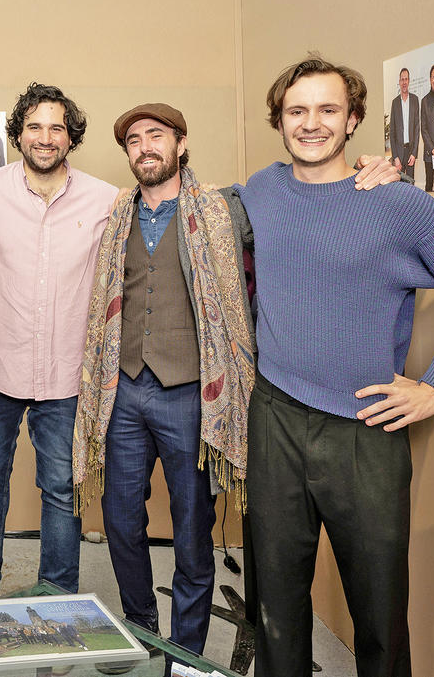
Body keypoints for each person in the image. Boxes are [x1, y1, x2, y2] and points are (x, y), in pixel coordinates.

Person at [238, 55, 434, 677]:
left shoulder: (400, 205)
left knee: (380, 611)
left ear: (354, 118)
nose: (311, 123)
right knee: (274, 603)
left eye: (328, 110)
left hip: (366, 429)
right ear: (278, 120)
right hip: (274, 417)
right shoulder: (261, 191)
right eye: (297, 110)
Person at [73, 103, 256, 657]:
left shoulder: (222, 210)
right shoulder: (116, 216)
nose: (145, 147)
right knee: (120, 521)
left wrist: (376, 171)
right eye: (134, 140)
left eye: (156, 135)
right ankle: (143, 629)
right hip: (123, 390)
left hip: (190, 394)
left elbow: (295, 205)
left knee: (192, 531)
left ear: (180, 142)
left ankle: (186, 654)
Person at [0, 83, 119, 612]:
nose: (45, 137)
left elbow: (162, 203)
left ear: (71, 136)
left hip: (66, 373)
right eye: (34, 126)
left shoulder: (105, 199)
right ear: (17, 134)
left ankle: (57, 590)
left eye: (57, 127)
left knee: (60, 486)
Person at [388, 68, 420, 179]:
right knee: (399, 184)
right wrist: (395, 157)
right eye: (402, 79)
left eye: (406, 79)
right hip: (399, 154)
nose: (404, 82)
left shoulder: (415, 100)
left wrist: (414, 153)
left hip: (410, 152)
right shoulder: (395, 103)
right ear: (399, 82)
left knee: (411, 183)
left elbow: (417, 129)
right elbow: (392, 132)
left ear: (409, 81)